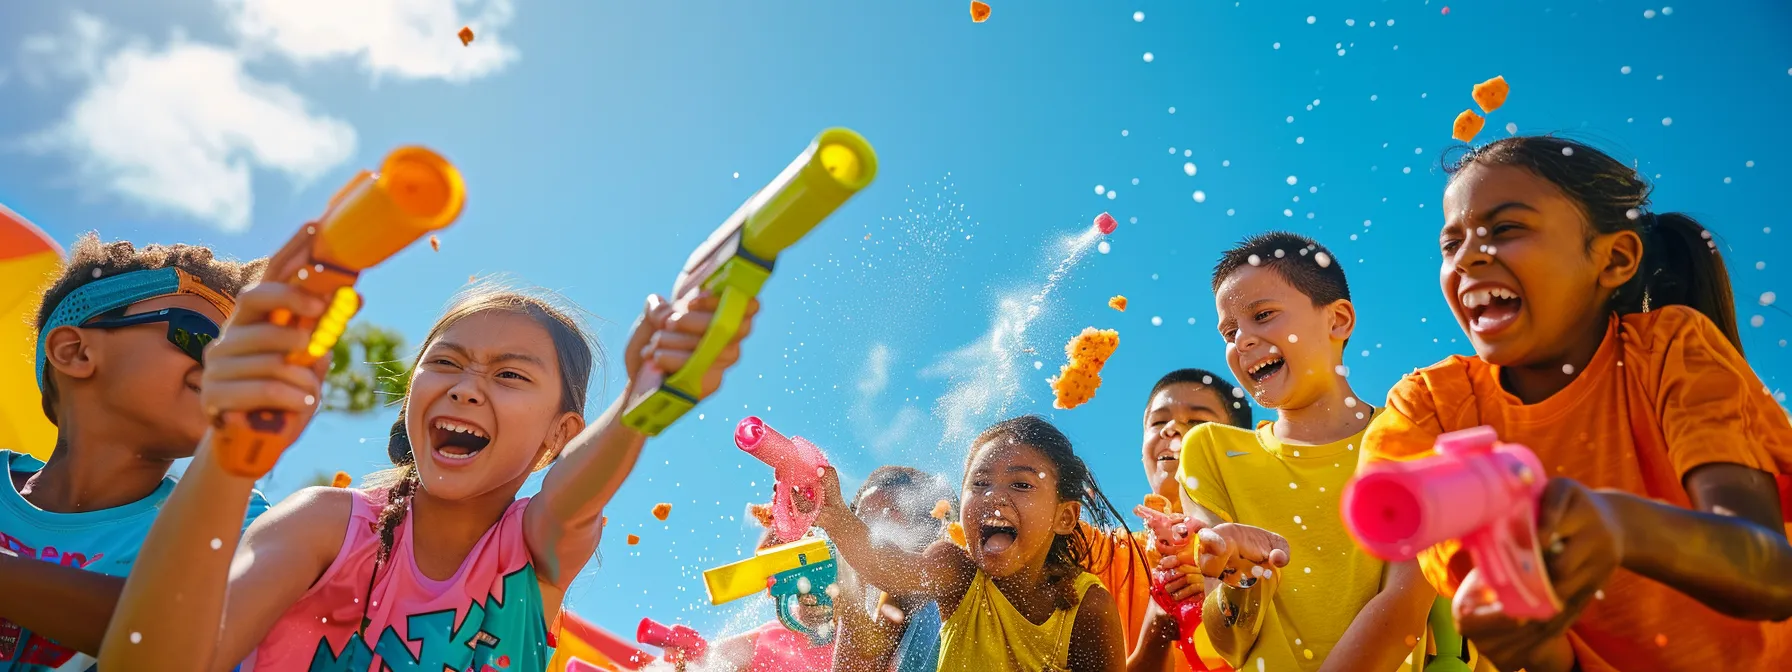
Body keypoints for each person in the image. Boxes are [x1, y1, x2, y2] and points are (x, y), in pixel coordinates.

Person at [95, 278, 758, 671]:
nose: (467, 388)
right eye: (446, 364)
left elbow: (575, 491)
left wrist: (643, 400)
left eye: (509, 375)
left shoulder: (533, 549)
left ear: (560, 436)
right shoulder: (324, 523)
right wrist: (228, 451)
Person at [1362, 135, 1792, 672]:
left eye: (1506, 229)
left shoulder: (1671, 351)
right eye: (1451, 245)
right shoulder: (1430, 407)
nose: (1469, 256)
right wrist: (1535, 651)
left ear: (1614, 258)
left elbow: (1771, 573)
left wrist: (1621, 526)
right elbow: (1528, 636)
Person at [1160, 232, 1442, 672]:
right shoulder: (1211, 450)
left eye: (1264, 315)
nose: (1243, 341)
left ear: (1338, 321)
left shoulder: (1409, 437)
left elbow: (1404, 605)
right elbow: (1229, 641)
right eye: (1229, 331)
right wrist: (1243, 579)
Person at [0, 235, 270, 671]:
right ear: (76, 352)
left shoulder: (232, 518)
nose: (223, 368)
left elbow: (193, 632)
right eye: (197, 337)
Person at [808, 415, 1131, 671]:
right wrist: (835, 515)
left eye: (1021, 484)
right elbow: (895, 569)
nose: (993, 496)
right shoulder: (959, 571)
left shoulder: (1087, 606)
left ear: (1064, 517)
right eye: (979, 483)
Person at [1080, 368, 1250, 672]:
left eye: (1196, 422)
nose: (1171, 428)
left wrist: (1223, 592)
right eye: (1158, 422)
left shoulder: (1258, 546)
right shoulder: (1109, 554)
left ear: (1239, 450)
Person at [828, 465, 955, 672]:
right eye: (862, 518)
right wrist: (850, 595)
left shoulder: (956, 579)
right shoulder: (890, 606)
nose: (871, 526)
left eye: (891, 511)